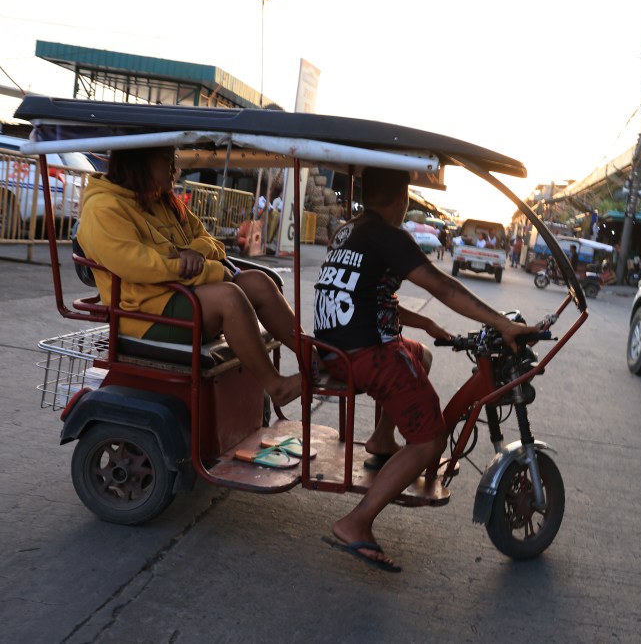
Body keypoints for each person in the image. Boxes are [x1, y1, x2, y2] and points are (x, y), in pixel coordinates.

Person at [314, 166, 537, 571]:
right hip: (366, 352)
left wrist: (426, 324)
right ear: (401, 200)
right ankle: (356, 522)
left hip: (337, 346)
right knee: (431, 440)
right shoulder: (388, 235)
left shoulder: (351, 230)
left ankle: (382, 442)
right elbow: (444, 287)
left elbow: (369, 295)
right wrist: (502, 323)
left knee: (421, 354)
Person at [76, 146, 304, 407]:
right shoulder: (103, 207)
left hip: (182, 297)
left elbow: (209, 241)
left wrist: (193, 252)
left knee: (260, 282)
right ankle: (277, 386)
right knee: (228, 297)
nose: (175, 168)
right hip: (147, 315)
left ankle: (317, 362)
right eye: (167, 159)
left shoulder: (163, 201)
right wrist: (209, 270)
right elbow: (138, 265)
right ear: (140, 161)